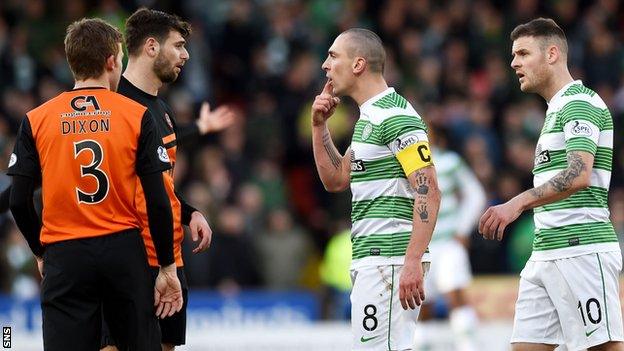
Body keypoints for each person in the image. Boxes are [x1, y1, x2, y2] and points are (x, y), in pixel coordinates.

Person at [7, 18, 182, 351]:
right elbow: (158, 199)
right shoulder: (135, 114)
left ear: (72, 62)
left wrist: (40, 251)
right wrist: (166, 266)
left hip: (65, 253)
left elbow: (18, 201)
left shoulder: (37, 118)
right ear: (112, 61)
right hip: (122, 251)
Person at [479, 18, 623, 351]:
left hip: (582, 249)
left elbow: (579, 173)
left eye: (523, 53)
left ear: (552, 54)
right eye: (514, 55)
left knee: (603, 348)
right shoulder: (555, 110)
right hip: (545, 251)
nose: (514, 62)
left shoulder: (579, 103)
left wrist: (516, 203)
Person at [99, 8, 234, 351]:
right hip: (129, 258)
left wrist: (190, 214)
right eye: (178, 45)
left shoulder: (161, 109)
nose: (186, 54)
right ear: (151, 47)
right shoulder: (114, 107)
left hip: (169, 255)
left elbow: (159, 183)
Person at [311, 28, 441, 350]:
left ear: (357, 64)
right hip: (374, 260)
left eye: (333, 56)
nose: (326, 65)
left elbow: (428, 189)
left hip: (391, 260)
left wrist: (412, 261)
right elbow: (337, 179)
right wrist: (319, 126)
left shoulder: (395, 115)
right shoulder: (368, 118)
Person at [415, 126, 485, 351]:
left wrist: (462, 229)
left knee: (454, 294)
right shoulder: (406, 167)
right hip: (420, 248)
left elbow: (475, 193)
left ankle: (468, 346)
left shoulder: (449, 162)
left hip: (447, 243)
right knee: (422, 306)